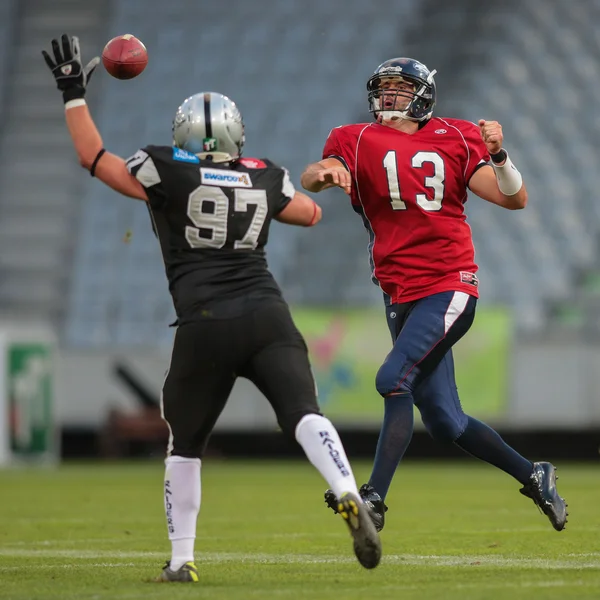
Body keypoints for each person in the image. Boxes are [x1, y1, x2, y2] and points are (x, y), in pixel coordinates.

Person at [42, 34, 382, 581]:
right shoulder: (264, 174)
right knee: (305, 414)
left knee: (186, 445)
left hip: (204, 321)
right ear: (235, 134)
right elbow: (309, 216)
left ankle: (182, 561)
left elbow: (94, 158)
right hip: (268, 315)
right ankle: (344, 488)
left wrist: (72, 95)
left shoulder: (164, 169)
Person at [301, 57, 568, 533]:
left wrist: (501, 155)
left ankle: (374, 499)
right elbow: (316, 172)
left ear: (423, 95)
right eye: (384, 88)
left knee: (391, 378)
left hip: (449, 283)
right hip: (398, 290)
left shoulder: (458, 135)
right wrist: (324, 175)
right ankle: (535, 474)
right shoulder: (353, 137)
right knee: (447, 422)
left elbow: (513, 198)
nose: (389, 97)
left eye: (400, 89)